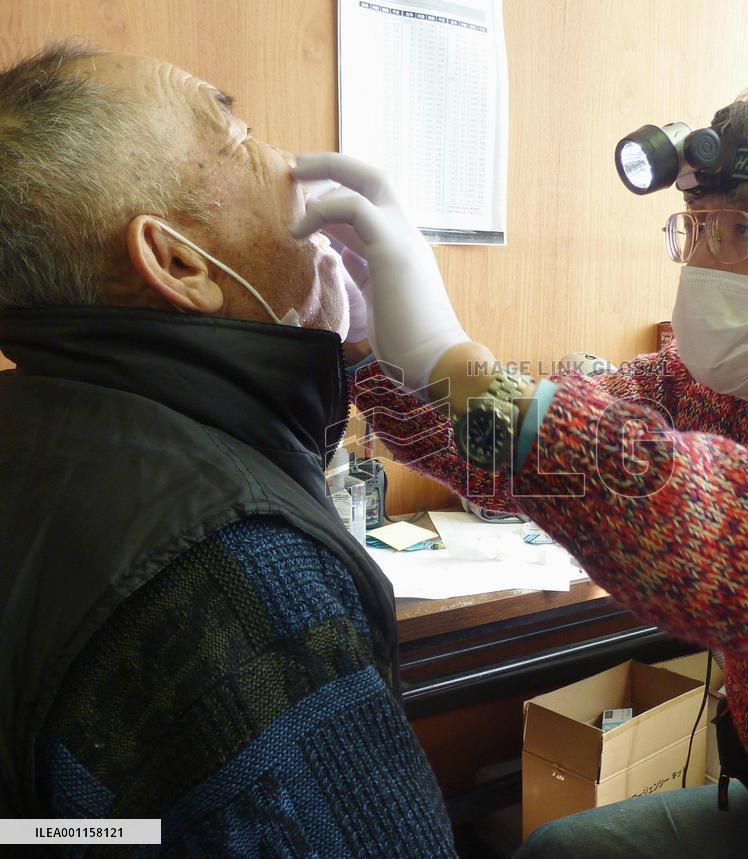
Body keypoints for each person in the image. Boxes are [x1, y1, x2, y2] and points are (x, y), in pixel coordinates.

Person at [293, 73, 748, 857]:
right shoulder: (710, 385)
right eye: (692, 226)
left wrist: (463, 367)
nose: (698, 263)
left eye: (737, 233)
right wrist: (375, 346)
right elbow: (517, 452)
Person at [0, 44, 457, 856]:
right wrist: (450, 364)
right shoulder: (237, 568)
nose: (286, 161)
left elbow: (63, 829)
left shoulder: (38, 425)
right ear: (177, 261)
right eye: (237, 132)